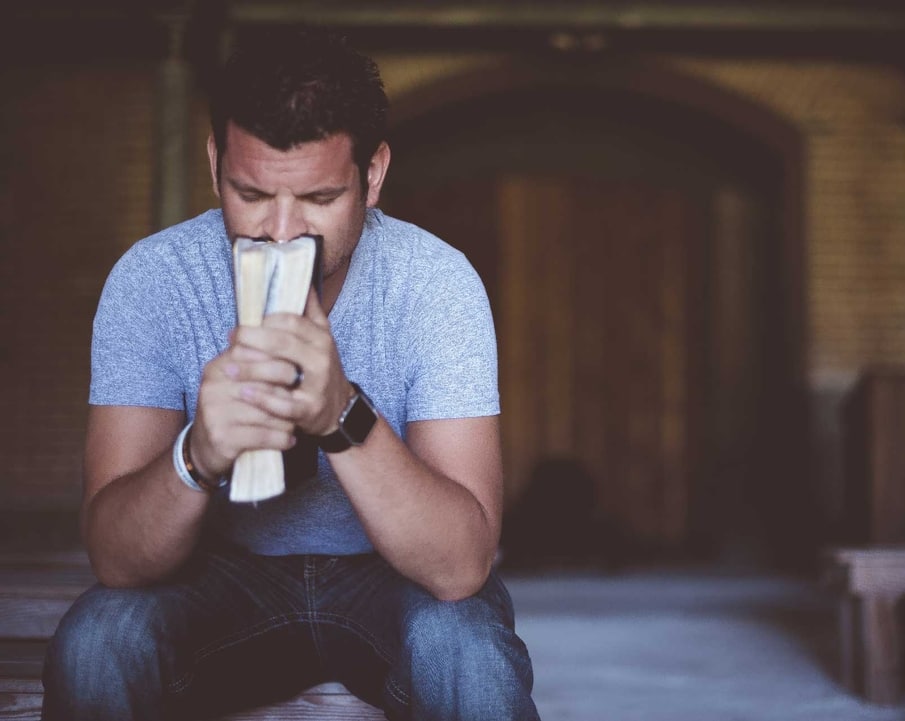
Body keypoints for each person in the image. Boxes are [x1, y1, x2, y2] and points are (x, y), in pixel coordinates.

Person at [42, 28, 539, 721]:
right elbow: (117, 561)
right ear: (216, 163)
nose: (280, 231)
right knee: (98, 642)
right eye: (250, 194)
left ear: (372, 176)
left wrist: (343, 414)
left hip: (391, 580)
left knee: (469, 655)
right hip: (219, 577)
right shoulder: (154, 279)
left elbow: (459, 568)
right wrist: (197, 452)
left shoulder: (435, 283)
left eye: (317, 198)